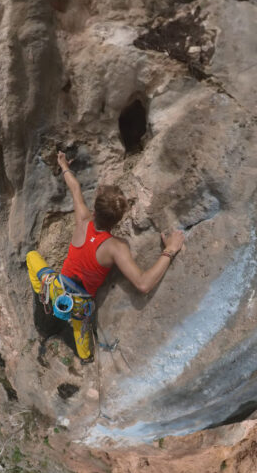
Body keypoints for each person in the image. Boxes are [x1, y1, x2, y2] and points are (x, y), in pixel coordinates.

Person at [26, 150, 185, 361]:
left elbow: (74, 187)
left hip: (56, 288)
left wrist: (64, 165)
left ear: (94, 208)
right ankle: (83, 353)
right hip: (80, 307)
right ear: (118, 220)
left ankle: (42, 295)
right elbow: (143, 284)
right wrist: (170, 249)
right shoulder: (116, 247)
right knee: (86, 354)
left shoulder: (83, 219)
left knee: (31, 257)